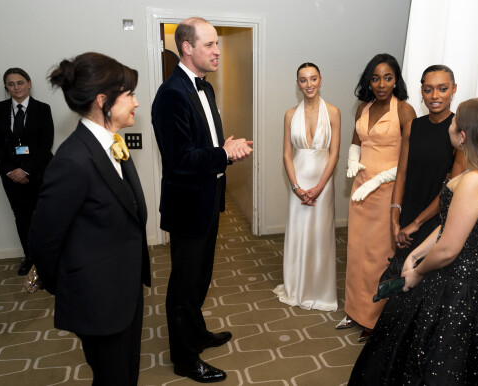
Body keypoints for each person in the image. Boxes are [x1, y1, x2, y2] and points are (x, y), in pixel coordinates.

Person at [348, 98, 478, 385]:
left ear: (461, 136)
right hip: (468, 280)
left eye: (454, 121)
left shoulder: (475, 180)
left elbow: (450, 249)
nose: (449, 124)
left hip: (459, 288)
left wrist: (417, 271)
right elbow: (448, 225)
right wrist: (415, 254)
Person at [29, 52, 150, 386]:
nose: (136, 103)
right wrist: (75, 286)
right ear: (103, 101)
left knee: (127, 375)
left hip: (124, 290)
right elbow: (43, 240)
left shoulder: (110, 142)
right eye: (129, 95)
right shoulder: (73, 160)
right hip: (98, 301)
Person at [151, 17, 253, 383]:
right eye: (209, 44)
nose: (217, 50)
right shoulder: (171, 94)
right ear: (187, 48)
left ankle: (196, 334)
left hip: (209, 200)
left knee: (201, 277)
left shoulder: (205, 89)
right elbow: (180, 161)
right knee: (184, 285)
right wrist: (225, 154)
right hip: (187, 205)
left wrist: (224, 150)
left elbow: (206, 145)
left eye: (217, 44)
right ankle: (184, 357)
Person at [337, 54, 415, 341]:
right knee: (356, 252)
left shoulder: (404, 111)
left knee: (379, 256)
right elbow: (356, 142)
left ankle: (376, 318)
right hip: (360, 189)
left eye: (387, 78)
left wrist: (380, 180)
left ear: (396, 80)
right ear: (367, 81)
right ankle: (355, 310)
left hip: (387, 191)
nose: (381, 84)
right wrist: (352, 163)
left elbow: (410, 159)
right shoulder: (363, 107)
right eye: (375, 78)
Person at [273, 62, 341, 312]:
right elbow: (286, 154)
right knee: (299, 232)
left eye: (313, 79)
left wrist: (320, 187)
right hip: (298, 183)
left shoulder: (333, 112)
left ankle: (321, 291)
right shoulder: (290, 114)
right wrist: (296, 187)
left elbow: (334, 154)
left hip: (323, 183)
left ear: (321, 80)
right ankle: (297, 286)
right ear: (298, 83)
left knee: (321, 236)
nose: (309, 84)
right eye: (303, 80)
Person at [391, 65, 465, 262]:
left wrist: (416, 223)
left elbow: (452, 188)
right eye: (428, 89)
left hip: (437, 220)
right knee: (402, 277)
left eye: (443, 88)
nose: (435, 96)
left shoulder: (460, 131)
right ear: (421, 90)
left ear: (454, 89)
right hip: (408, 213)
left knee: (424, 280)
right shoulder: (412, 126)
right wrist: (395, 216)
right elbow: (401, 175)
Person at [0, 68, 54, 275]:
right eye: (10, 84)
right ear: (6, 87)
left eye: (20, 82)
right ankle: (30, 257)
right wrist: (11, 171)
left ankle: (50, 257)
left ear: (29, 83)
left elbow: (46, 144)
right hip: (11, 176)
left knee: (45, 216)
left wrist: (26, 170)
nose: (16, 87)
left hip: (40, 172)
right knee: (22, 217)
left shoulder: (42, 109)